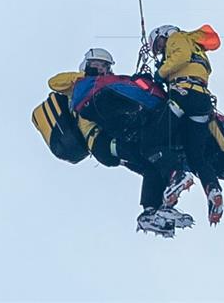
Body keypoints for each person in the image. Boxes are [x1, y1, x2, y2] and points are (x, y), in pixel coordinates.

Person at [47, 48, 193, 237]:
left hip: (109, 142)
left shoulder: (104, 84)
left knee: (150, 166)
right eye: (101, 65)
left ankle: (152, 210)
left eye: (107, 67)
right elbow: (53, 82)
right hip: (100, 141)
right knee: (146, 149)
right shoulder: (80, 85)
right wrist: (84, 76)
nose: (105, 70)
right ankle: (171, 180)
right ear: (89, 64)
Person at [149, 24, 224, 225]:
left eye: (158, 45)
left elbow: (180, 56)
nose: (160, 52)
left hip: (183, 93)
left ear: (163, 35)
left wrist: (161, 73)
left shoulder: (177, 38)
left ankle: (177, 174)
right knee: (196, 156)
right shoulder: (196, 47)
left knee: (153, 139)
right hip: (201, 100)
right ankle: (213, 190)